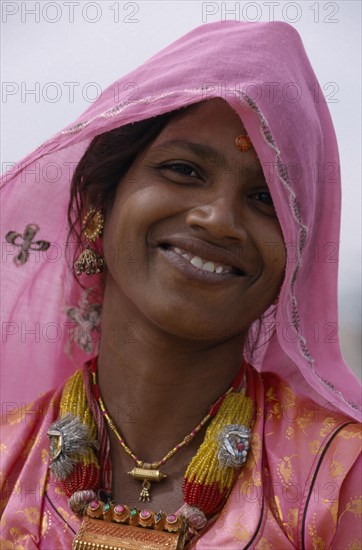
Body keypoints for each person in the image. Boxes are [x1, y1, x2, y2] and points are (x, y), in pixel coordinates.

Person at [1, 20, 361, 550]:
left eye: (265, 199)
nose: (218, 220)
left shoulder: (335, 478)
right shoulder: (10, 457)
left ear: (296, 259)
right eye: (183, 170)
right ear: (101, 205)